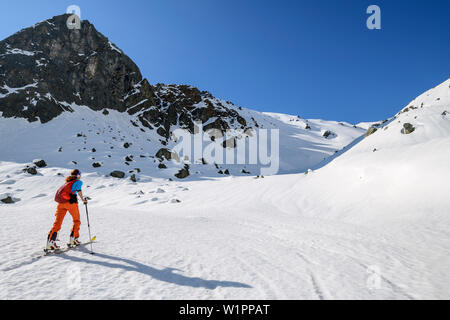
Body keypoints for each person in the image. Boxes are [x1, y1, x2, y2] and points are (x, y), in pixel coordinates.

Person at [47, 169, 88, 250]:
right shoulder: (78, 182)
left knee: (57, 222)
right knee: (76, 220)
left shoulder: (67, 182)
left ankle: (50, 243)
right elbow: (79, 190)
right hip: (71, 203)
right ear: (78, 175)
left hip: (61, 204)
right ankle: (73, 239)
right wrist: (83, 199)